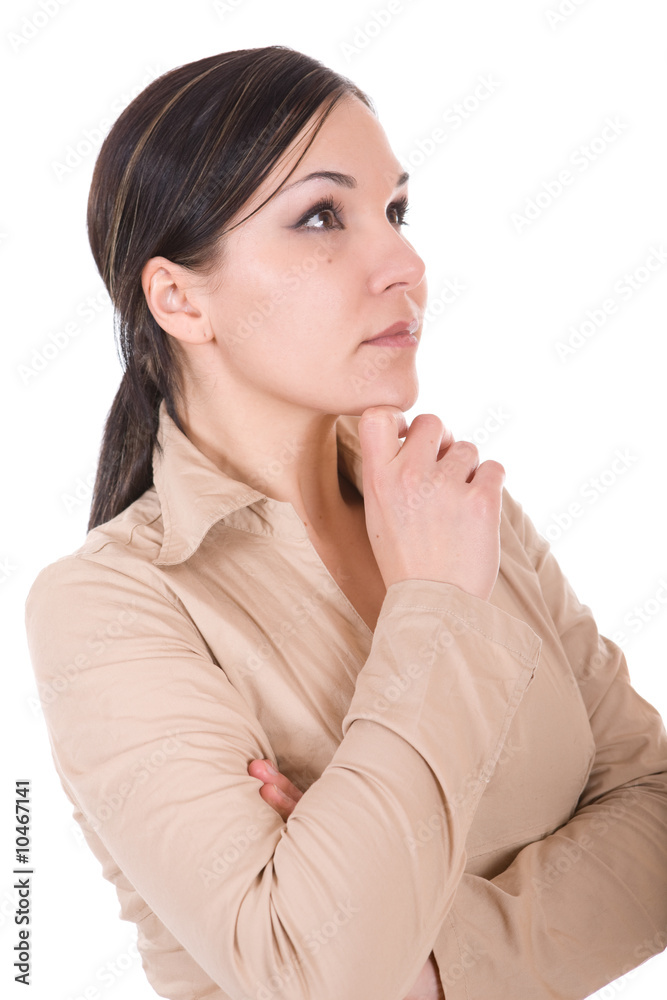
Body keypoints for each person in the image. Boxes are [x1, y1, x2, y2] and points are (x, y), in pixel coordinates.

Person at [25, 45, 667, 1000]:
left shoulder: (457, 506)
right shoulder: (108, 604)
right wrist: (434, 603)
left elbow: (655, 814)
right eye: (321, 216)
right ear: (179, 298)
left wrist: (427, 964)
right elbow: (312, 968)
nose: (405, 264)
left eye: (395, 212)